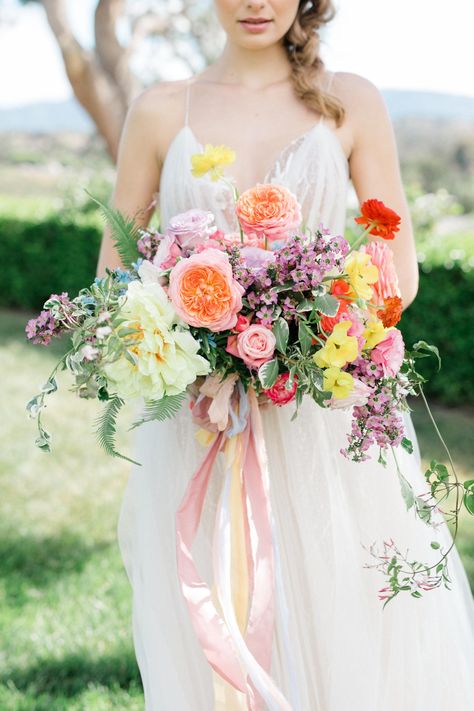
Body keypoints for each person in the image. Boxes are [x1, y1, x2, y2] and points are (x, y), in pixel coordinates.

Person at [97, 2, 474, 709]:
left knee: (346, 616)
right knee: (214, 618)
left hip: (329, 416)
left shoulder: (349, 100)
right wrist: (191, 333)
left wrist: (303, 330)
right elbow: (112, 278)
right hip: (200, 423)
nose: (255, 3)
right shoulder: (159, 111)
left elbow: (401, 271)